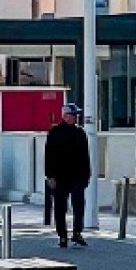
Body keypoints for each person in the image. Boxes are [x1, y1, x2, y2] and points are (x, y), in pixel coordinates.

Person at [44, 101, 92, 248]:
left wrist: (87, 175)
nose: (75, 118)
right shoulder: (55, 132)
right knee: (60, 207)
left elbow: (85, 156)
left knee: (79, 206)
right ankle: (62, 236)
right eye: (72, 115)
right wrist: (50, 176)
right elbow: (48, 156)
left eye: (76, 115)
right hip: (59, 177)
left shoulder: (80, 133)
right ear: (65, 116)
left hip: (77, 176)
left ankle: (77, 233)